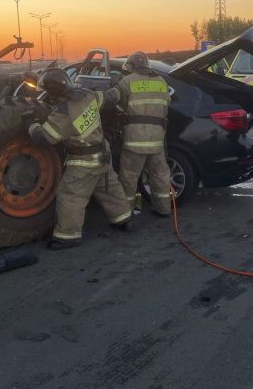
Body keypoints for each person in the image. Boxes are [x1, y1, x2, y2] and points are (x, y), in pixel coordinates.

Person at [26, 67, 133, 250]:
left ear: (52, 92)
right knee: (109, 188)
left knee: (70, 195)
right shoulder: (87, 95)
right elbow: (106, 98)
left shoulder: (63, 112)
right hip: (103, 154)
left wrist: (32, 123)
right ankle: (123, 219)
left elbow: (45, 138)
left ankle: (68, 236)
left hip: (84, 162)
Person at [109, 51, 172, 217]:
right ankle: (164, 209)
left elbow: (116, 102)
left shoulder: (126, 81)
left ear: (131, 66)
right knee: (160, 176)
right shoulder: (161, 81)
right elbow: (167, 103)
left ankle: (126, 214)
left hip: (134, 141)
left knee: (128, 178)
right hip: (157, 140)